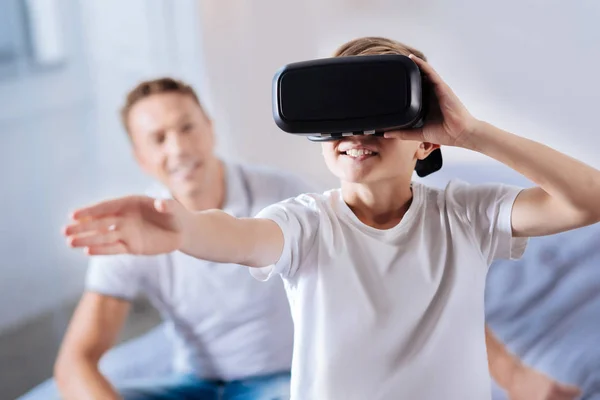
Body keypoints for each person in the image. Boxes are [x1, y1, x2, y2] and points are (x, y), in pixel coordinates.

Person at [62, 37, 594, 400]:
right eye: (340, 119)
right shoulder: (304, 222)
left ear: (426, 140)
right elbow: (240, 236)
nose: (357, 134)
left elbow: (587, 202)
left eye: (383, 120)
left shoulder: (468, 213)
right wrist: (182, 228)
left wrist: (472, 133)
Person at [54, 77, 315, 400]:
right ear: (141, 158)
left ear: (210, 128)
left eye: (187, 128)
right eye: (159, 139)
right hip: (194, 384)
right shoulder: (134, 227)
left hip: (277, 380)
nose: (178, 148)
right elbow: (74, 362)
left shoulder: (283, 194)